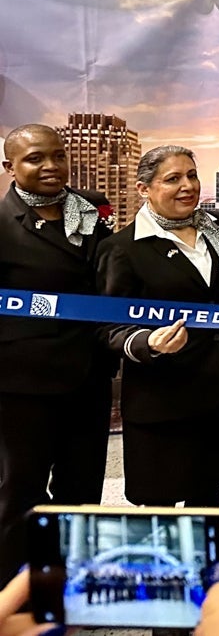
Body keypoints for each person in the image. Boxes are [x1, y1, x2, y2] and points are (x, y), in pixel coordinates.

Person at [98, 146, 219, 507]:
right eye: (173, 179)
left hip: (216, 395)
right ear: (144, 189)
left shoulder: (215, 234)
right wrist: (148, 341)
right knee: (159, 510)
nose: (188, 186)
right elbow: (107, 326)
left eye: (192, 175)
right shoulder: (122, 249)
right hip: (161, 399)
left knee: (208, 504)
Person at [0, 124, 115, 582]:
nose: (51, 166)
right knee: (20, 491)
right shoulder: (2, 225)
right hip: (22, 384)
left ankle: (73, 581)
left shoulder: (90, 213)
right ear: (10, 167)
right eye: (35, 158)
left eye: (58, 155)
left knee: (82, 490)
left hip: (89, 376)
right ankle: (14, 589)